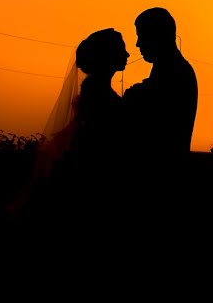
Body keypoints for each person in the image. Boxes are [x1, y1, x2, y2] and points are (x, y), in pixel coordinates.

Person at [12, 28, 130, 223]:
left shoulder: (95, 88)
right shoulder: (97, 93)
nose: (126, 54)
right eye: (121, 49)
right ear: (106, 56)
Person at [123, 7, 198, 168]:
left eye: (141, 36)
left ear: (157, 36)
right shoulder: (167, 69)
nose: (137, 44)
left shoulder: (174, 71)